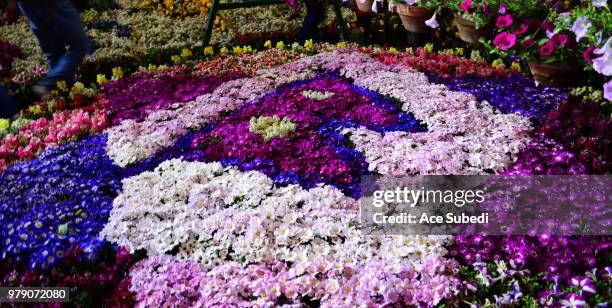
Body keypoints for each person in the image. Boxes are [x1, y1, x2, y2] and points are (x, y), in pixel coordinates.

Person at [16, 0, 91, 97]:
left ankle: (61, 94)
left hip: (26, 4)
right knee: (79, 45)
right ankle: (49, 84)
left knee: (54, 51)